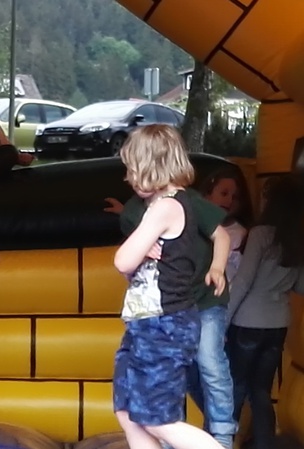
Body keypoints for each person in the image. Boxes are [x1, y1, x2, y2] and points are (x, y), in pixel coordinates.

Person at [111, 124, 223, 449]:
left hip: (164, 326)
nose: (128, 178)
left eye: (132, 169)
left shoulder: (167, 206)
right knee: (128, 412)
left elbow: (122, 261)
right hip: (145, 324)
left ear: (152, 167)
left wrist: (137, 245)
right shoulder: (161, 206)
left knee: (158, 419)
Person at [226, 175, 304, 449]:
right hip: (278, 323)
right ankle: (265, 444)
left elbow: (243, 281)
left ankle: (222, 442)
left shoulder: (260, 234)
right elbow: (300, 286)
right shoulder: (297, 238)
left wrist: (225, 320)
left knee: (236, 386)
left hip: (248, 322)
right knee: (261, 390)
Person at [198, 167, 252, 284]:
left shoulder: (242, 234)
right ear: (207, 195)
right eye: (224, 194)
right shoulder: (195, 225)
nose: (229, 200)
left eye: (235, 197)